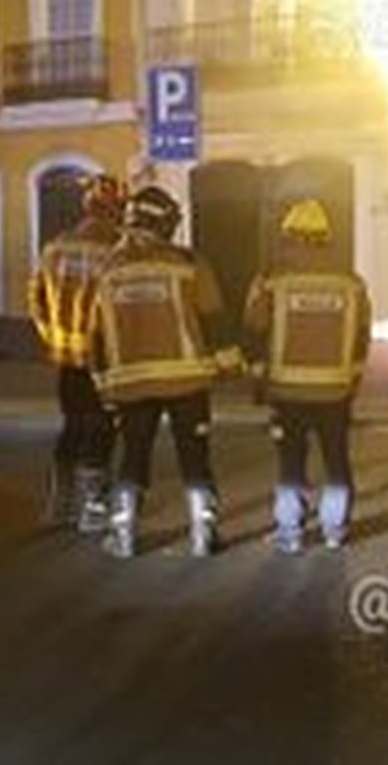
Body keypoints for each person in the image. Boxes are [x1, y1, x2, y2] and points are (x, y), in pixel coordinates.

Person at [90, 186, 241, 558]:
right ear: (166, 224)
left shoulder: (108, 269)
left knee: (133, 455)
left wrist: (103, 385)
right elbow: (213, 319)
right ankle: (204, 533)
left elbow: (97, 334)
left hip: (131, 382)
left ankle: (123, 534)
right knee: (194, 456)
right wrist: (230, 367)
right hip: (187, 380)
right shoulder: (188, 263)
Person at [243, 200, 372, 554]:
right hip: (335, 388)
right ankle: (335, 530)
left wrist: (258, 380)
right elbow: (362, 336)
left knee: (291, 461)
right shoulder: (352, 282)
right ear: (325, 238)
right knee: (336, 457)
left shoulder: (271, 280)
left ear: (288, 237)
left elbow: (254, 330)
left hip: (287, 390)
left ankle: (290, 532)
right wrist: (352, 380)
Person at [28, 173, 123, 531]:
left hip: (68, 357)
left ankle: (58, 505)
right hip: (104, 356)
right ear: (116, 211)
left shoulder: (55, 248)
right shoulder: (117, 253)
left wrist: (55, 338)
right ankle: (93, 508)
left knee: (72, 425)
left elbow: (35, 300)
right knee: (102, 427)